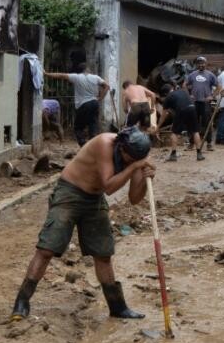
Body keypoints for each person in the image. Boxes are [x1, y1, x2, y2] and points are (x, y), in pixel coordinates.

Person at [10, 126, 154, 322]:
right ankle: (22, 302)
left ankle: (117, 307)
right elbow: (109, 186)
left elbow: (134, 199)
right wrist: (133, 168)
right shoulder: (105, 144)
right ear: (121, 148)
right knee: (47, 249)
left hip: (94, 199)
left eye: (136, 160)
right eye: (130, 158)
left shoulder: (138, 157)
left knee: (103, 254)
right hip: (70, 191)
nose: (132, 162)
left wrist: (145, 181)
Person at [45, 63, 109, 146]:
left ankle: (83, 145)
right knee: (92, 126)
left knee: (78, 128)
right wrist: (100, 98)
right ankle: (93, 146)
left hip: (83, 105)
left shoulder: (76, 77)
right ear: (87, 69)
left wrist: (46, 74)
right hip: (94, 103)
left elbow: (61, 75)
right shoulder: (96, 77)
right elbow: (107, 86)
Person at [161, 83, 204, 161]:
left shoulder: (168, 97)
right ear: (172, 88)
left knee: (174, 132)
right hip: (192, 108)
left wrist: (157, 127)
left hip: (181, 109)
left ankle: (173, 155)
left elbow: (163, 116)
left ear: (165, 93)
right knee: (195, 131)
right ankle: (199, 154)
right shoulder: (182, 91)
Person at [186, 57, 217, 152]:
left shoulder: (210, 75)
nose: (201, 65)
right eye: (199, 63)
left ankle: (209, 144)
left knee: (207, 123)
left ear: (206, 64)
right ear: (196, 65)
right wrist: (189, 95)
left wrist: (212, 96)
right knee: (193, 122)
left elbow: (218, 86)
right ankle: (191, 144)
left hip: (205, 103)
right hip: (194, 102)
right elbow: (185, 85)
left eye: (202, 63)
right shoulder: (192, 75)